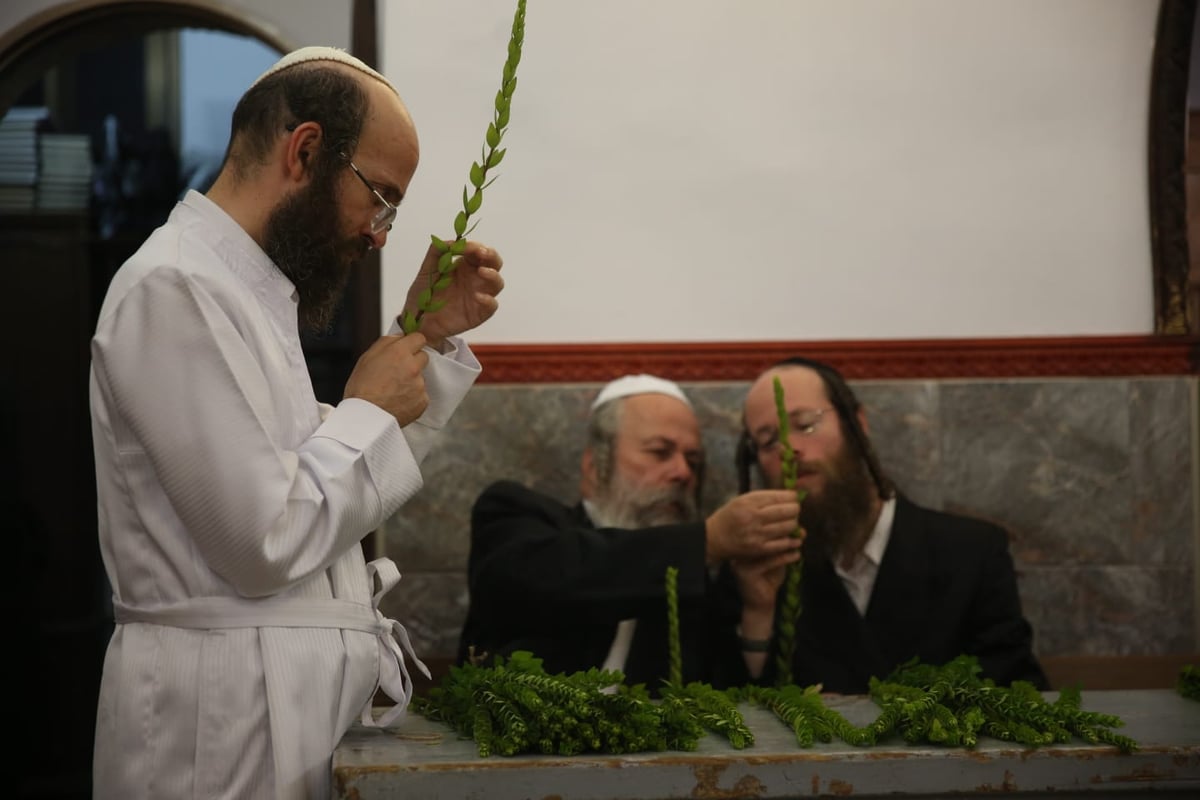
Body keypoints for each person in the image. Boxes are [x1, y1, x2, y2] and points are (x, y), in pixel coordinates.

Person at [89, 47, 505, 800]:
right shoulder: (172, 286)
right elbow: (266, 537)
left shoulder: (245, 293)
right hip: (215, 729)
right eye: (380, 196)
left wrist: (426, 337)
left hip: (266, 708)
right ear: (306, 150)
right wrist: (367, 408)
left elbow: (327, 482)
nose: (381, 232)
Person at [457, 374, 802, 690]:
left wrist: (758, 611)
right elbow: (546, 579)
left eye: (694, 461)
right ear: (595, 466)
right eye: (660, 452)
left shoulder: (695, 581)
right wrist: (706, 541)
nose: (683, 473)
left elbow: (728, 702)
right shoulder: (514, 515)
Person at [727, 357, 1047, 693]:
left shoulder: (972, 555)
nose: (789, 449)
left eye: (806, 424)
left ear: (857, 423)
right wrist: (757, 614)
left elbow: (1019, 696)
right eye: (768, 441)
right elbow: (734, 712)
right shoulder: (757, 573)